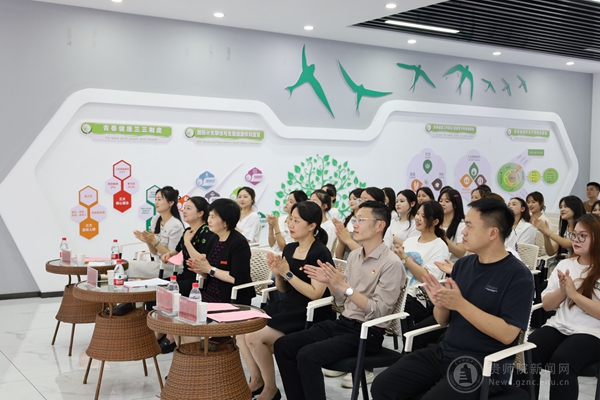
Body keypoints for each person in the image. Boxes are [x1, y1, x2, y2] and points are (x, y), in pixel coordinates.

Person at [371, 197, 535, 400]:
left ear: (492, 233)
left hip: (484, 365)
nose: (463, 232)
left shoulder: (518, 275)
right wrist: (441, 303)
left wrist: (460, 304)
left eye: (470, 226)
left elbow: (508, 334)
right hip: (445, 353)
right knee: (383, 386)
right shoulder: (464, 265)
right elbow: (443, 321)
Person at [274, 201, 404, 400]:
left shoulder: (391, 264)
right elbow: (342, 302)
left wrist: (345, 287)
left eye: (361, 220)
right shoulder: (354, 256)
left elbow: (379, 311)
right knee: (283, 345)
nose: (354, 225)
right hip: (343, 323)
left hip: (367, 333)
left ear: (379, 225)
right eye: (355, 219)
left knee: (307, 355)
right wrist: (332, 284)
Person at [243, 201, 334, 400]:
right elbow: (283, 289)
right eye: (290, 219)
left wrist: (288, 274)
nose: (290, 224)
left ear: (312, 226)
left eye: (296, 221)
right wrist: (278, 274)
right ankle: (257, 380)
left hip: (309, 312)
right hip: (287, 306)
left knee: (254, 337)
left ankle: (270, 389)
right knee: (242, 330)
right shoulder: (290, 248)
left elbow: (316, 294)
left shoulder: (319, 252)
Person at [514, 213, 600, 399]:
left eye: (583, 236)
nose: (576, 240)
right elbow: (546, 306)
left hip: (593, 332)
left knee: (562, 362)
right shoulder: (566, 264)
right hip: (559, 326)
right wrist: (563, 290)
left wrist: (574, 295)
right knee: (526, 354)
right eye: (574, 234)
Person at [157, 196, 215, 353]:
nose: (184, 211)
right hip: (185, 274)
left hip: (199, 279)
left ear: (200, 213)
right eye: (184, 207)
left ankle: (170, 337)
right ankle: (160, 332)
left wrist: (188, 242)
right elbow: (177, 250)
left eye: (189, 208)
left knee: (170, 292)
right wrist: (168, 254)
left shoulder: (206, 232)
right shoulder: (187, 231)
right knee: (160, 287)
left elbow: (201, 260)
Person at [393, 200, 449, 328]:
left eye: (423, 216)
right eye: (417, 214)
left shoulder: (440, 246)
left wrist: (405, 258)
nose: (417, 218)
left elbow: (428, 278)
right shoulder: (410, 240)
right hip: (399, 291)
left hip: (417, 298)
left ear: (435, 222)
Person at [133, 186, 184, 276]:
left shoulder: (176, 226)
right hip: (158, 265)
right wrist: (148, 241)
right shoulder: (155, 220)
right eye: (155, 199)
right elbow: (155, 252)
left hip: (171, 269)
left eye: (159, 199)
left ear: (171, 203)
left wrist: (154, 241)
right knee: (130, 265)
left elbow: (173, 257)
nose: (156, 202)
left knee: (131, 266)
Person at [533, 195, 585, 260]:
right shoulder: (564, 228)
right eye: (560, 207)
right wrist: (545, 234)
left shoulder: (583, 227)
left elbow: (567, 243)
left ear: (575, 208)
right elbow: (551, 252)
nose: (562, 209)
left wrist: (547, 230)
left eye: (565, 206)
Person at [334, 188, 363, 260]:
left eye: (354, 199)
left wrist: (348, 240)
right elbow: (339, 256)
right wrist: (341, 240)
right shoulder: (348, 220)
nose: (351, 201)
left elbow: (364, 254)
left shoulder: (366, 223)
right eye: (350, 199)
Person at [438, 189, 466, 262]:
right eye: (440, 201)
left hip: (453, 265)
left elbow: (460, 253)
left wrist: (444, 237)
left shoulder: (462, 225)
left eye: (447, 201)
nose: (442, 204)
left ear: (455, 205)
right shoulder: (435, 223)